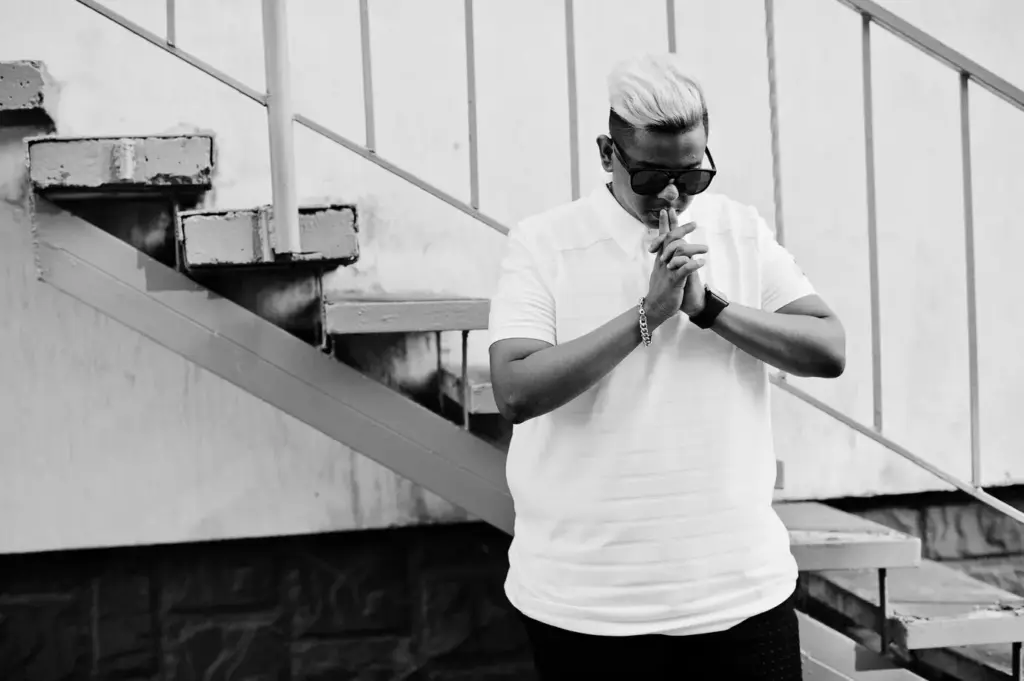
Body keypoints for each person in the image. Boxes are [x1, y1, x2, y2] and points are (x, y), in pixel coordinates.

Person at [487, 53, 846, 680]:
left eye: (693, 174)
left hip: (741, 596)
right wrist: (647, 315)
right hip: (587, 607)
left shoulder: (739, 229)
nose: (675, 194)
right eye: (653, 176)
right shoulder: (544, 243)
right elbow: (515, 390)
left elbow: (828, 348)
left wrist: (708, 309)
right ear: (608, 154)